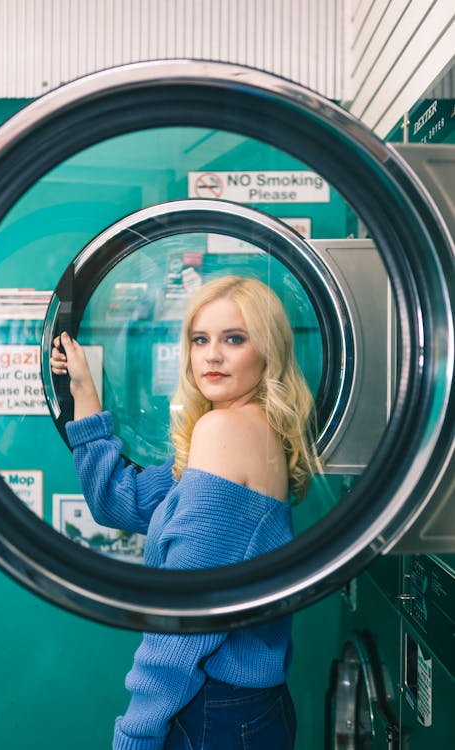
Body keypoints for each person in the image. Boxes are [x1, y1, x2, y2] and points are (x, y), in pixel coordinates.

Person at [51, 275, 317, 750]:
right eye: (200, 339)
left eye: (234, 339)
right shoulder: (252, 428)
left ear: (268, 351)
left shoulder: (225, 431)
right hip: (247, 710)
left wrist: (136, 732)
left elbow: (187, 616)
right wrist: (84, 391)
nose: (211, 355)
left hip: (213, 711)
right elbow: (118, 501)